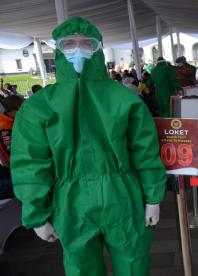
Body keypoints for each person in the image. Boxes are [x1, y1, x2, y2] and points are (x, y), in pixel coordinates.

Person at [11, 17, 167, 275]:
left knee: (133, 264)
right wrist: (36, 213)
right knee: (86, 268)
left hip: (116, 195)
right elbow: (30, 162)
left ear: (98, 48)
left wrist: (153, 196)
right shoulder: (38, 107)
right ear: (59, 49)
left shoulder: (125, 100)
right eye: (70, 43)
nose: (78, 49)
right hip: (79, 200)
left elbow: (145, 150)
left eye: (86, 43)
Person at [0, 95, 23, 199]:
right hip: (16, 164)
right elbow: (10, 151)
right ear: (17, 108)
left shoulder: (10, 120)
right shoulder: (4, 126)